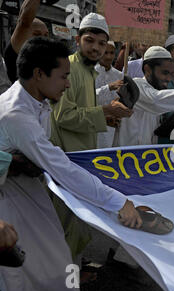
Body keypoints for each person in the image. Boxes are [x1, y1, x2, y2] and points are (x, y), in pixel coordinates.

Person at [0, 37, 149, 291]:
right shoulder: (17, 115)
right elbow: (61, 167)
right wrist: (118, 201)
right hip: (10, 197)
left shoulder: (34, 99)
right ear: (38, 74)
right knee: (26, 268)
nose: (68, 84)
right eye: (63, 77)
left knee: (54, 259)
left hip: (28, 188)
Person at [49, 14, 134, 271]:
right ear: (78, 40)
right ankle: (60, 283)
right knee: (61, 227)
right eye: (90, 41)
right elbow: (63, 115)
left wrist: (104, 118)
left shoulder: (87, 72)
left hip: (80, 158)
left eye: (101, 43)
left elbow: (82, 109)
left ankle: (70, 276)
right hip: (66, 160)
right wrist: (105, 111)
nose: (96, 48)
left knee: (74, 224)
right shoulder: (71, 69)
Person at [3, 0, 49, 83]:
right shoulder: (20, 48)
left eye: (46, 35)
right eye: (36, 34)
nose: (43, 38)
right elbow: (24, 22)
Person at [95, 41, 124, 149]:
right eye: (105, 53)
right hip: (96, 126)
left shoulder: (119, 75)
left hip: (114, 127)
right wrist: (108, 88)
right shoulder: (90, 73)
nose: (109, 56)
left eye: (112, 53)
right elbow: (87, 97)